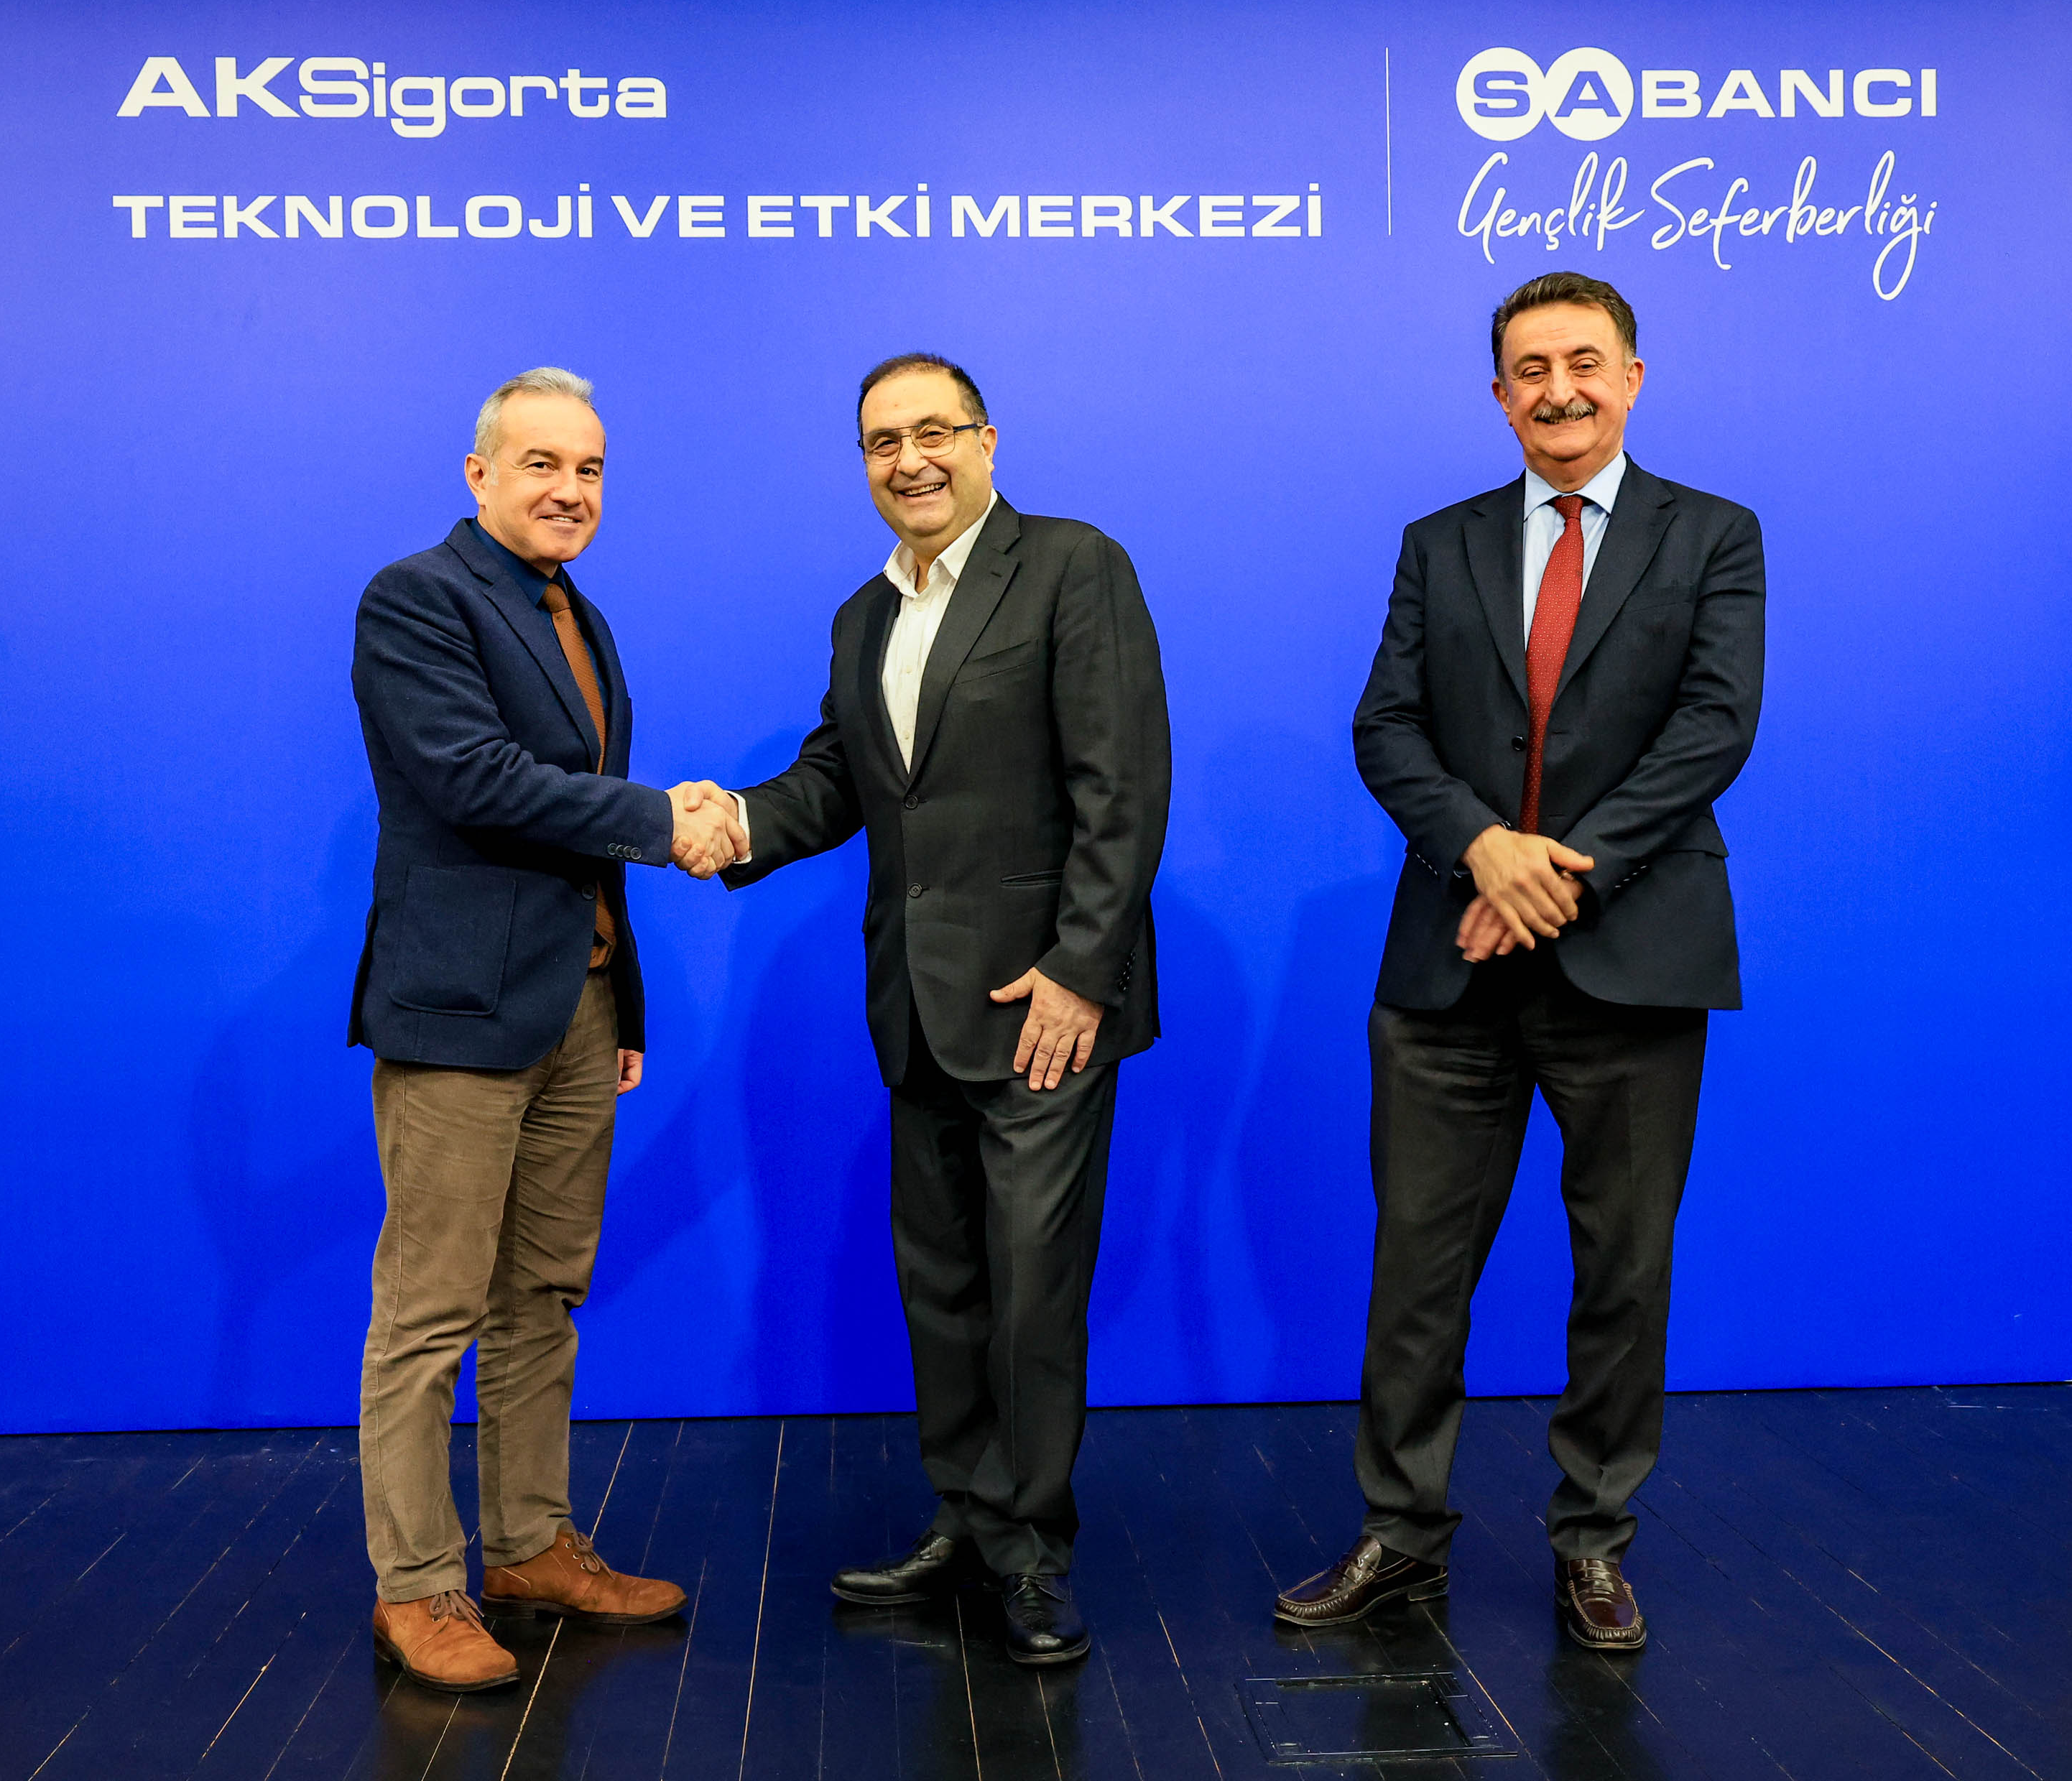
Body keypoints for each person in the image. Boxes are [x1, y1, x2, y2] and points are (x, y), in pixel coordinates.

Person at [1276, 274, 1763, 1652]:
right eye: (1530, 369)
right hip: (1449, 969)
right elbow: (1385, 728)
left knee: (1622, 1270)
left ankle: (1593, 1542)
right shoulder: (1438, 543)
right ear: (1498, 396)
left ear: (1632, 377)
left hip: (1635, 959)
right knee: (1415, 1271)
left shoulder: (1713, 535)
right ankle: (1397, 1534)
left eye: (1583, 361)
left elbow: (1713, 727)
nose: (1560, 388)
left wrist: (1552, 875)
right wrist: (1484, 848)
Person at [703, 353, 1171, 1667]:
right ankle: (968, 1518)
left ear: (985, 440)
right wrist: (731, 822)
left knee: (1032, 1297)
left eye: (932, 432)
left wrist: (1081, 968)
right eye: (879, 441)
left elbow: (1123, 784)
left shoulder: (1072, 566)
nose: (907, 459)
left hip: (1041, 1008)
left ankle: (1033, 1554)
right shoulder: (864, 614)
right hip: (915, 1005)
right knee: (946, 1288)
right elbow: (837, 779)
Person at [347, 366, 746, 1693]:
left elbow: (573, 829)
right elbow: (474, 779)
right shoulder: (416, 597)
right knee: (430, 1312)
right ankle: (417, 1584)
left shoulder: (579, 613)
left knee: (542, 1295)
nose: (569, 490)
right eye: (541, 464)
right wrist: (664, 817)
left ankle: (526, 1546)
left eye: (589, 469)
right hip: (460, 1011)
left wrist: (617, 998)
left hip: (574, 1008)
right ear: (479, 475)